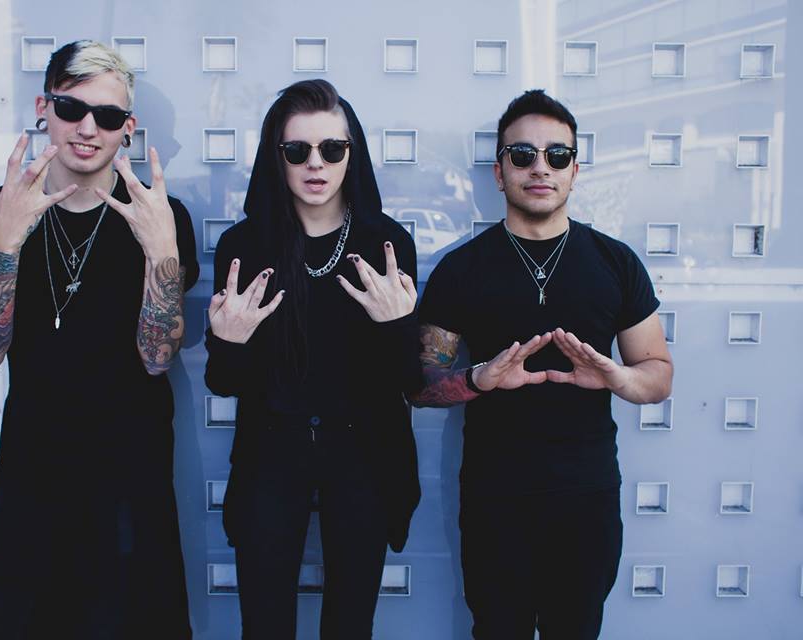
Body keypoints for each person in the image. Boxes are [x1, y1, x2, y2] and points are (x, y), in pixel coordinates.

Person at [0, 40, 198, 639]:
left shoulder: (161, 214)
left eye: (108, 116)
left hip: (130, 477)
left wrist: (161, 249)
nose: (88, 129)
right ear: (44, 108)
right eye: (71, 108)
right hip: (32, 470)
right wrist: (6, 239)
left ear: (128, 128)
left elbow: (157, 357)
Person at [412, 89, 673, 639]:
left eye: (557, 155)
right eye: (522, 154)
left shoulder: (616, 263)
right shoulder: (461, 270)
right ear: (499, 171)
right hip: (495, 497)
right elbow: (421, 385)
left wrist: (617, 376)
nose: (540, 167)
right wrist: (479, 379)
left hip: (586, 495)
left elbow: (657, 374)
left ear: (574, 170)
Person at [204, 79, 422, 640]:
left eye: (332, 148)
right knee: (264, 624)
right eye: (297, 149)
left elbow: (409, 381)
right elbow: (224, 382)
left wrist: (397, 327)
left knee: (351, 623)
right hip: (272, 448)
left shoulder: (385, 244)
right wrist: (229, 341)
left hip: (365, 451)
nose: (316, 164)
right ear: (275, 156)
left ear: (353, 152)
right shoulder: (245, 247)